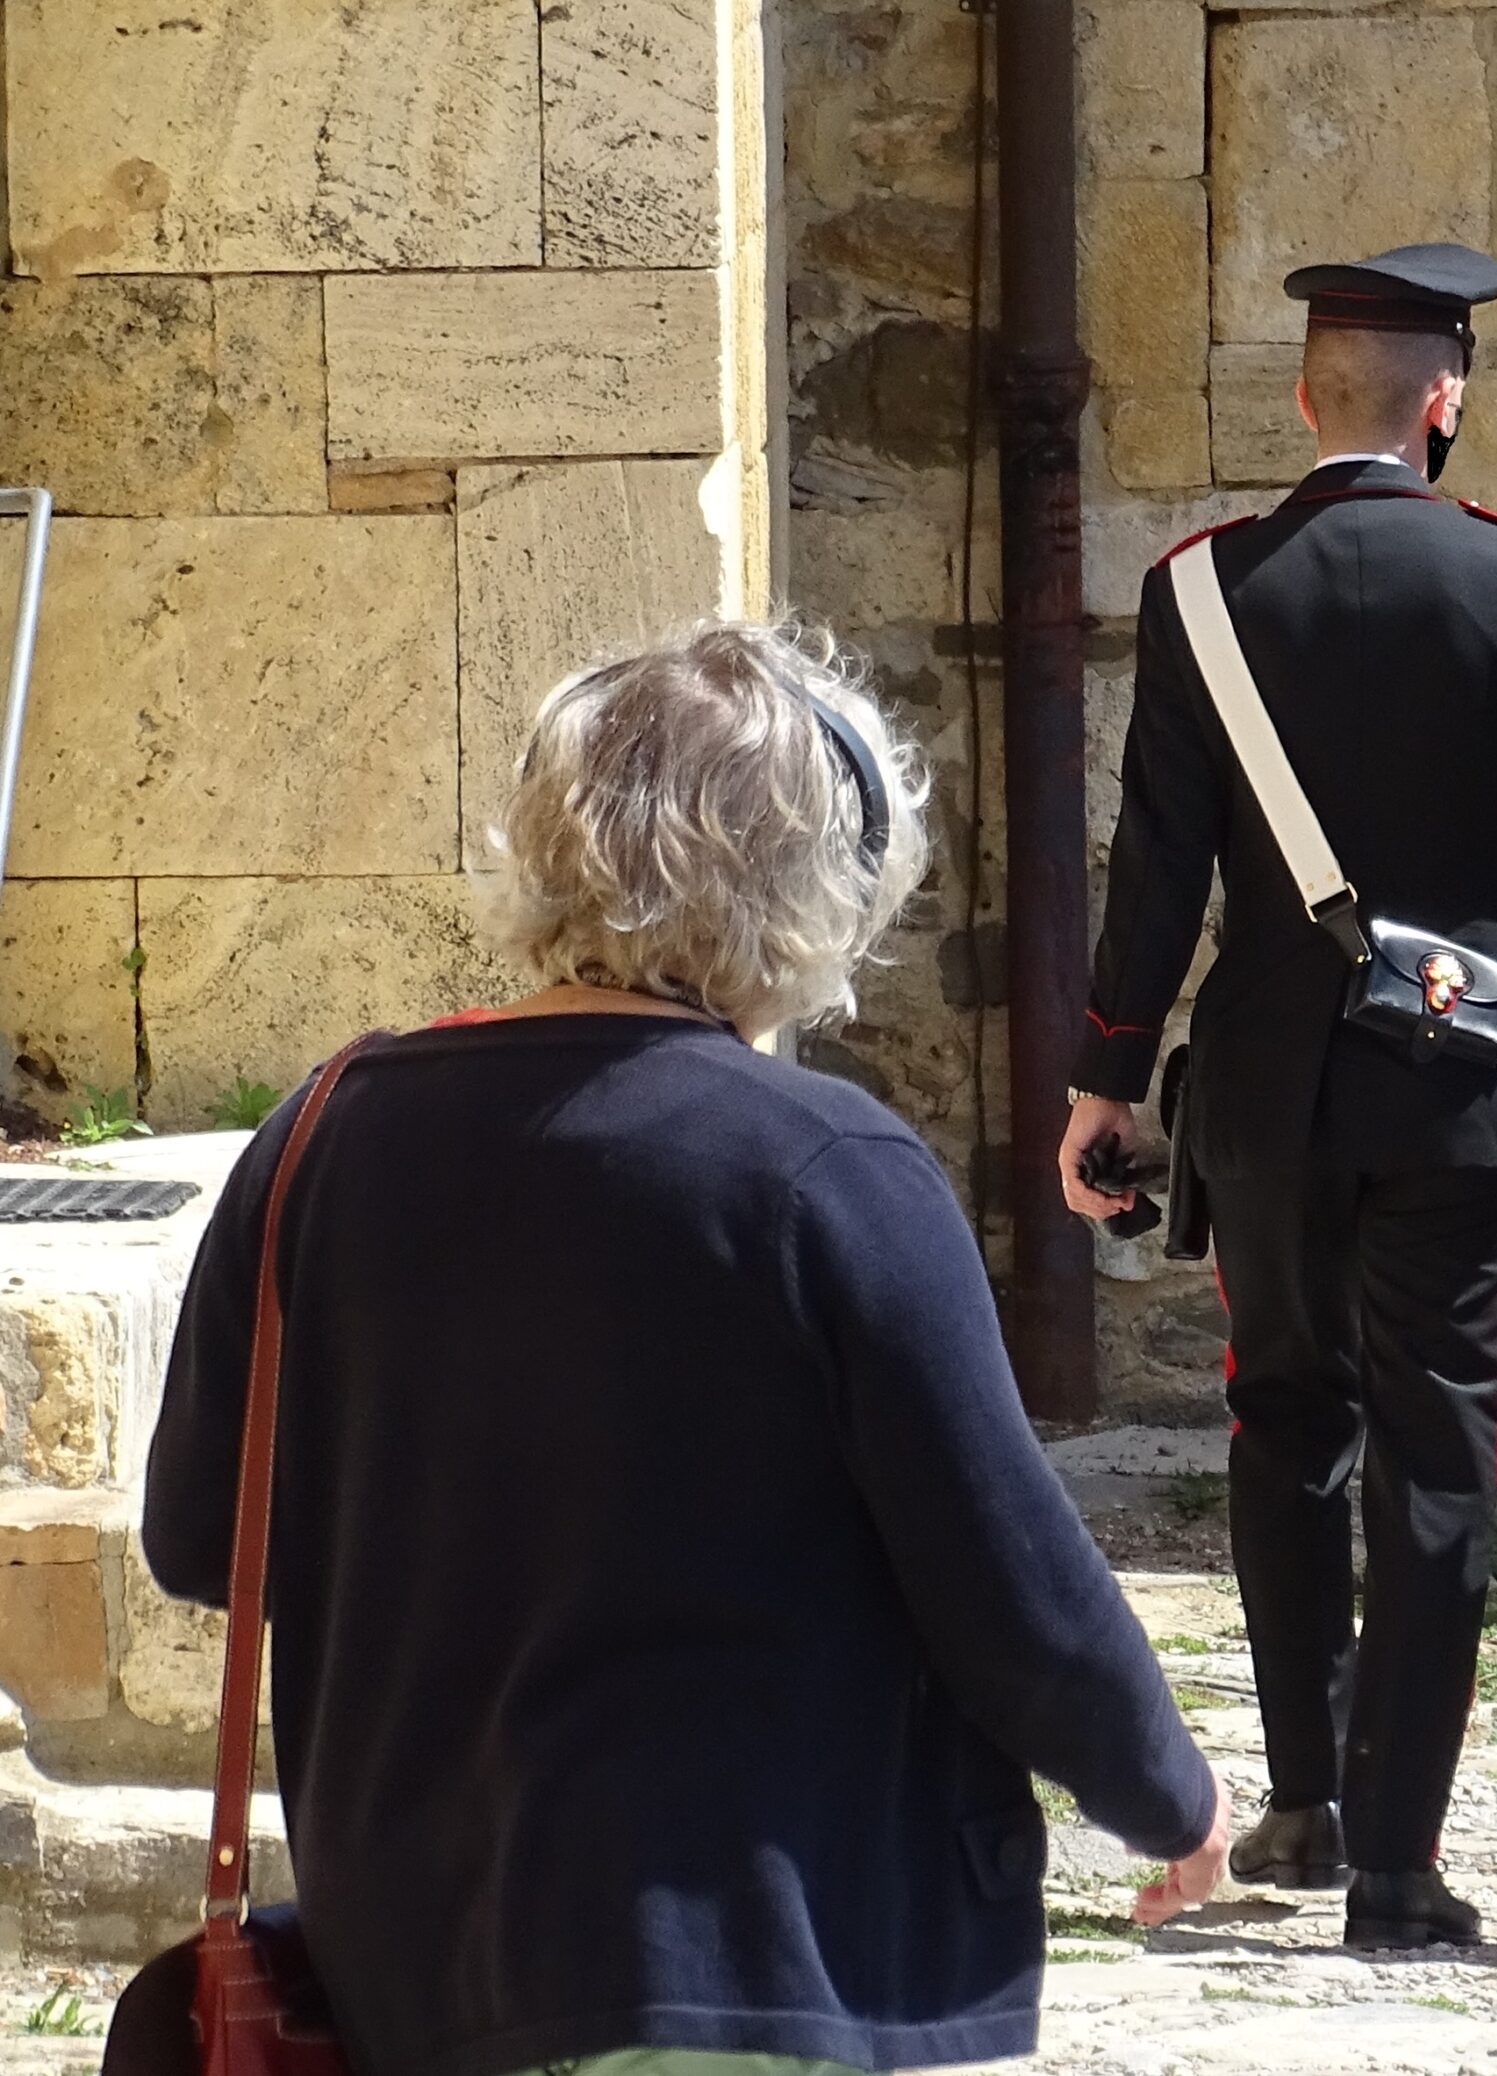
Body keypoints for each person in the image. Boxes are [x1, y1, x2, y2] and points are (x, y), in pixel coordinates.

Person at [143, 623, 1230, 2076]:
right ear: (814, 881)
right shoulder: (825, 1167)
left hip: (409, 1963)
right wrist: (1168, 1794)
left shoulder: (322, 1134)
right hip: (734, 1960)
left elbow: (201, 1538)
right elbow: (1008, 1580)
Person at [1057, 245, 1497, 1949]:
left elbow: (1158, 869)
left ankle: (1304, 1801)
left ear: (1310, 396)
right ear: (1443, 403)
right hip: (1459, 1087)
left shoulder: (1203, 590)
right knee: (1440, 1462)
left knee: (1284, 1421)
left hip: (1258, 1088)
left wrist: (1108, 1078)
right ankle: (1397, 1864)